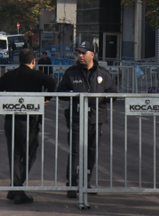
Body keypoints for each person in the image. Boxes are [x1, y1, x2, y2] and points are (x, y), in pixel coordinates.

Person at [0, 48, 57, 204]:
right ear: (33, 61)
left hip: (10, 120)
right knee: (29, 154)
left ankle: (15, 189)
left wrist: (8, 101)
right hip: (29, 121)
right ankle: (17, 189)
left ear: (19, 60)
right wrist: (46, 98)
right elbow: (53, 83)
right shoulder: (36, 75)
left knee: (15, 155)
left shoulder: (10, 75)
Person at [57, 40, 117, 198]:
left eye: (84, 53)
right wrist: (74, 95)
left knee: (91, 151)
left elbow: (113, 93)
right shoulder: (71, 72)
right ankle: (72, 184)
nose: (81, 55)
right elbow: (60, 92)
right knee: (76, 151)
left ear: (92, 54)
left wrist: (100, 98)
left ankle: (85, 183)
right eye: (79, 53)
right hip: (77, 118)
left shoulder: (103, 73)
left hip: (96, 119)